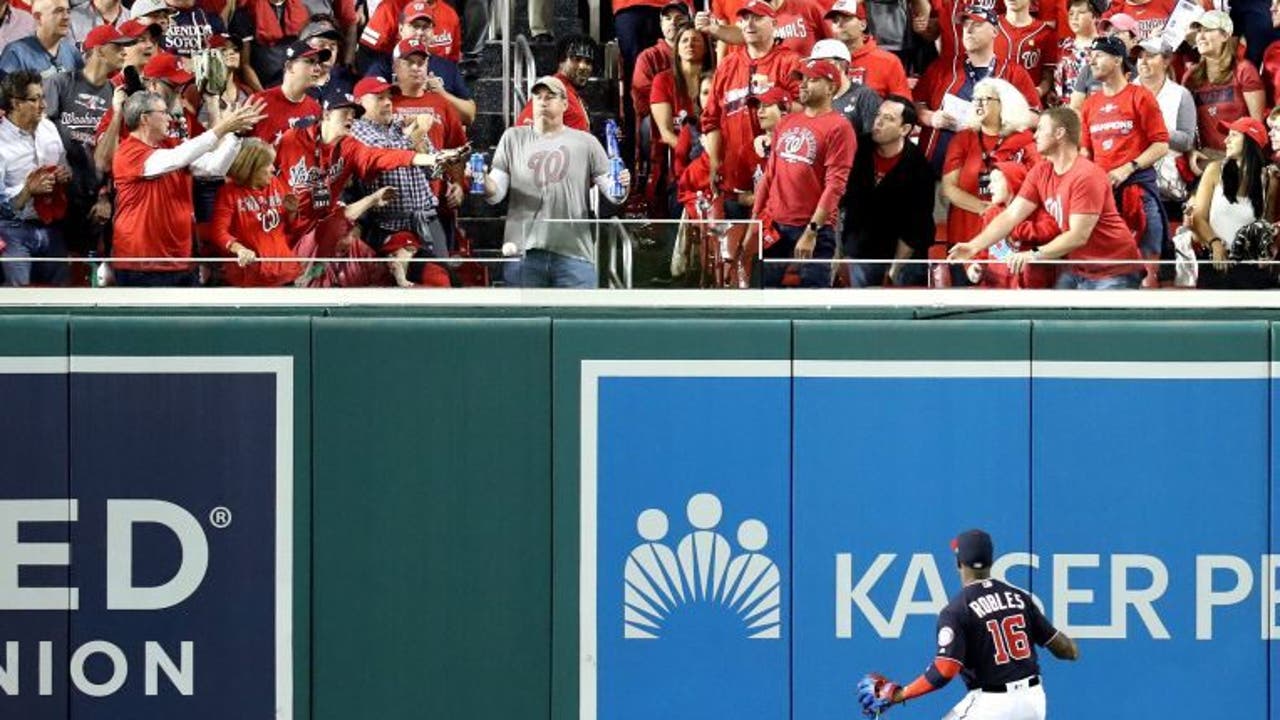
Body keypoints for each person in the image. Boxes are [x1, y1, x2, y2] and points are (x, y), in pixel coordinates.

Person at [856, 529, 1079, 719]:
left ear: (958, 562)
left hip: (991, 705)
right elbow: (1066, 650)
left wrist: (901, 694)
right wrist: (1071, 648)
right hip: (1033, 702)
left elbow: (944, 671)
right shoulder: (1019, 598)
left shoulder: (957, 610)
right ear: (992, 561)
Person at [950, 107, 1145, 289]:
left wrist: (1033, 255)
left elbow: (1078, 236)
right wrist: (973, 246)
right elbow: (1010, 216)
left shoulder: (1087, 175)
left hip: (1115, 269)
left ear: (1059, 133)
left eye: (1041, 129)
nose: (1034, 135)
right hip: (1078, 269)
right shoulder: (1041, 171)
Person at [479, 75, 631, 288]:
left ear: (565, 104)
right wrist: (482, 179)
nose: (543, 101)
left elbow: (614, 194)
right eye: (538, 96)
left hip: (575, 253)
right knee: (527, 321)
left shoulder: (586, 142)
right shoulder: (512, 138)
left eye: (550, 96)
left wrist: (623, 182)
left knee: (578, 320)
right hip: (524, 252)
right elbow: (495, 194)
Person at [110, 90, 265, 286]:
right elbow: (178, 158)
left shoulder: (169, 146)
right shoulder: (128, 152)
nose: (169, 118)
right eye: (163, 112)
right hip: (141, 264)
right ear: (145, 119)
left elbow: (214, 167)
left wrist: (234, 134)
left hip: (181, 260)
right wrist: (222, 128)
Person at [751, 58, 856, 287]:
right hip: (775, 224)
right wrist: (754, 220)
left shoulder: (839, 126)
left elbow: (835, 185)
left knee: (811, 301)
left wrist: (812, 230)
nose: (804, 85)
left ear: (831, 87)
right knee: (760, 294)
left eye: (813, 79)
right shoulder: (786, 122)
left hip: (814, 228)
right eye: (803, 79)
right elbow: (770, 176)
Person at [1079, 34, 1170, 273]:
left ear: (1118, 60)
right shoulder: (1089, 104)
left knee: (1150, 261)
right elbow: (1085, 151)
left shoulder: (1140, 96)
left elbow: (1161, 144)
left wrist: (1128, 167)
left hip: (1139, 191)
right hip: (1102, 196)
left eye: (1099, 55)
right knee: (1104, 266)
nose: (1092, 61)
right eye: (1091, 56)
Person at [349, 74, 451, 286]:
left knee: (446, 282)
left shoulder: (400, 125)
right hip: (389, 225)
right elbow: (386, 156)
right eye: (379, 97)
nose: (387, 102)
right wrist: (417, 132)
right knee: (406, 286)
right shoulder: (357, 131)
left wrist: (420, 138)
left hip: (428, 220)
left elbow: (435, 171)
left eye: (389, 97)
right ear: (360, 102)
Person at [701, 0, 800, 218]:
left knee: (776, 250)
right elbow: (711, 119)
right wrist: (715, 162)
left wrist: (776, 98)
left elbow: (805, 113)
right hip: (735, 180)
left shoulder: (790, 62)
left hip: (780, 179)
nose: (749, 24)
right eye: (744, 19)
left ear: (774, 23)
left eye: (757, 18)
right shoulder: (727, 66)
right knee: (735, 248)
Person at [914, 4, 1040, 171]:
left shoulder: (1013, 72)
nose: (968, 30)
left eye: (977, 24)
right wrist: (930, 117)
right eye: (965, 25)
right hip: (938, 168)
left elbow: (1035, 116)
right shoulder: (942, 67)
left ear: (995, 31)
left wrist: (998, 119)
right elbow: (916, 103)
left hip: (988, 175)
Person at [842, 94, 935, 286]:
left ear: (905, 129)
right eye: (878, 115)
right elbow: (842, 201)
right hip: (862, 251)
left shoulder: (919, 168)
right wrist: (841, 253)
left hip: (904, 256)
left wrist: (893, 270)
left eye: (889, 119)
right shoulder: (858, 149)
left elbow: (915, 227)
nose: (878, 122)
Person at [941, 77, 1037, 256]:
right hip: (965, 233)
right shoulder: (962, 139)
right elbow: (949, 188)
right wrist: (983, 208)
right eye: (975, 98)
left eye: (985, 99)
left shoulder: (1025, 139)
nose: (978, 103)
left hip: (1012, 235)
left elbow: (1036, 185)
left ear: (1004, 104)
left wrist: (1004, 213)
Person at [0, 69, 69, 286]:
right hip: (11, 231)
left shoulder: (49, 128)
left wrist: (63, 175)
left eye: (42, 97)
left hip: (51, 226)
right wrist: (28, 190)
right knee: (18, 301)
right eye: (34, 99)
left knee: (62, 297)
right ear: (15, 103)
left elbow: (64, 165)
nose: (43, 105)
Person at [1190, 117, 1278, 288]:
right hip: (1216, 264)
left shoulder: (1269, 180)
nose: (1226, 140)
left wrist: (1264, 251)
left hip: (1251, 269)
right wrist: (1214, 243)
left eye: (1234, 135)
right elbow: (1198, 217)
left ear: (1250, 142)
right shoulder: (1214, 170)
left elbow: (1265, 224)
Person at [211, 137, 306, 286]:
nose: (273, 169)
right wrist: (240, 250)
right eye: (268, 165)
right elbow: (218, 232)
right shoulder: (229, 193)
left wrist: (292, 213)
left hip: (284, 273)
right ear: (251, 168)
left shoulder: (275, 183)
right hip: (251, 276)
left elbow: (291, 228)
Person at [361, 6, 475, 124]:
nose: (420, 32)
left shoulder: (447, 67)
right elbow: (364, 106)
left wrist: (442, 95)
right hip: (394, 136)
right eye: (415, 26)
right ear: (401, 29)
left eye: (425, 27)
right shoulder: (384, 65)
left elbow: (469, 115)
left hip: (437, 135)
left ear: (433, 32)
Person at [1184, 10, 1266, 153]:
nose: (1201, 36)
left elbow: (1257, 126)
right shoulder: (1191, 77)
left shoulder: (1244, 70)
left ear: (1225, 35)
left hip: (1240, 156)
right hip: (1207, 157)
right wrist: (1191, 152)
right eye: (1199, 31)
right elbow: (1184, 124)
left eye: (1208, 30)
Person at [1134, 37, 1196, 206]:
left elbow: (1187, 141)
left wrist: (1155, 131)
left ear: (1167, 60)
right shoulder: (1126, 91)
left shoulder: (1181, 94)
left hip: (1169, 186)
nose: (1143, 61)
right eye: (1140, 56)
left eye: (1151, 56)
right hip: (1131, 183)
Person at [824, 0, 912, 100]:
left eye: (846, 18)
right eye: (835, 20)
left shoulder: (888, 61)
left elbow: (902, 105)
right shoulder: (823, 61)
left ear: (863, 25)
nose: (839, 24)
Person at [247, 40, 326, 144]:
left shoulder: (316, 110)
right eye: (310, 61)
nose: (318, 69)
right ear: (289, 66)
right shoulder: (258, 102)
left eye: (318, 63)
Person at [514, 34, 595, 132]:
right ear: (561, 62)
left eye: (588, 62)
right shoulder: (550, 89)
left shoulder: (572, 94)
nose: (583, 66)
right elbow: (523, 131)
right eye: (576, 59)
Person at [695, 0, 829, 58]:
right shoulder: (752, 14)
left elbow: (835, 37)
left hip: (807, 87)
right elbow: (740, 34)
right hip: (772, 91)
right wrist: (711, 27)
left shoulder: (807, 7)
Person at [811, 38, 881, 137]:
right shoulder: (815, 95)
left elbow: (871, 138)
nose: (814, 69)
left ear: (838, 64)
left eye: (820, 63)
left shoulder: (864, 95)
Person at [0, 0, 81, 77]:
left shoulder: (72, 52)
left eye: (68, 11)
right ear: (38, 17)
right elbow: (7, 88)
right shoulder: (16, 53)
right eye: (58, 11)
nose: (66, 17)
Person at [996, 0, 1056, 99]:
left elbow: (1048, 75)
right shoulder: (991, 25)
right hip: (994, 99)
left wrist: (1038, 91)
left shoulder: (1045, 32)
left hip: (1028, 104)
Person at [1053, 0, 1099, 105]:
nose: (1074, 17)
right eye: (1071, 13)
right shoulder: (1063, 46)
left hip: (1091, 108)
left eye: (1081, 13)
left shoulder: (1104, 47)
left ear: (1094, 16)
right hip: (1064, 111)